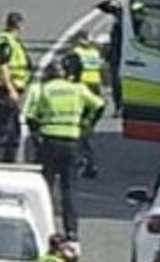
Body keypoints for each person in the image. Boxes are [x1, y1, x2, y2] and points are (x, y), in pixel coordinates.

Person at [27, 60, 105, 239]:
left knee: (45, 187)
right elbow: (99, 105)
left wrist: (37, 135)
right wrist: (87, 124)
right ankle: (71, 230)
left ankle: (42, 226)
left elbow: (31, 116)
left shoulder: (43, 90)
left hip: (49, 141)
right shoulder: (77, 89)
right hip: (71, 141)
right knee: (69, 188)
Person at [0, 12, 32, 162]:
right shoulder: (5, 40)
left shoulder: (12, 40)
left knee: (12, 128)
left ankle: (7, 158)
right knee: (4, 127)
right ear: (19, 24)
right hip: (4, 89)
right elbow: (3, 66)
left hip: (8, 88)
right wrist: (11, 89)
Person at [63, 42, 102, 179]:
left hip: (83, 86)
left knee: (79, 132)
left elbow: (70, 66)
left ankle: (82, 162)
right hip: (95, 87)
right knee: (85, 131)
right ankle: (88, 162)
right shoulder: (95, 52)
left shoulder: (76, 52)